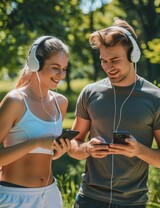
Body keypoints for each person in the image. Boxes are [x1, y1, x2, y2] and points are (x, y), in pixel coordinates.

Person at [69, 19, 160, 208]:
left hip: (133, 203)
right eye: (104, 61)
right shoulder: (90, 92)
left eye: (115, 60)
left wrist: (139, 151)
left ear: (133, 56)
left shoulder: (155, 98)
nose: (108, 67)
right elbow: (73, 144)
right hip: (88, 199)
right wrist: (87, 148)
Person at [0, 36, 71, 208]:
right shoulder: (15, 101)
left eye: (64, 68)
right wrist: (35, 143)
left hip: (50, 196)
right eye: (55, 68)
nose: (61, 75)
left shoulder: (60, 102)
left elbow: (47, 154)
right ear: (35, 64)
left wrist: (59, 151)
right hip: (14, 197)